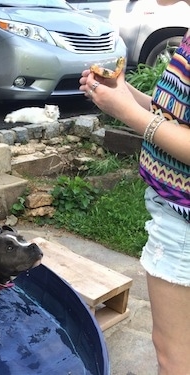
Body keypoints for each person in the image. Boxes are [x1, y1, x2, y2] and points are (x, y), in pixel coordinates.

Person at [79, 10, 190, 374]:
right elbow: (174, 118)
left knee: (173, 357)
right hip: (174, 212)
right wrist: (123, 94)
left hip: (182, 223)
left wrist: (130, 114)